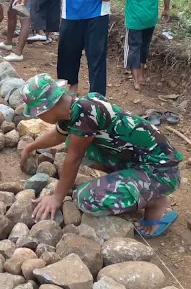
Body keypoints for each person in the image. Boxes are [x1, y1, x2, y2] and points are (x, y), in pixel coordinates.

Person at [19, 74, 182, 237]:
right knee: (73, 142)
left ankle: (154, 199)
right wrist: (32, 146)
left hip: (161, 171)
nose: (37, 116)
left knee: (86, 199)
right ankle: (131, 184)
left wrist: (57, 197)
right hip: (138, 161)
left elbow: (73, 159)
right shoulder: (77, 109)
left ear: (47, 108)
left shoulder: (86, 114)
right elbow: (59, 135)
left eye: (37, 113)